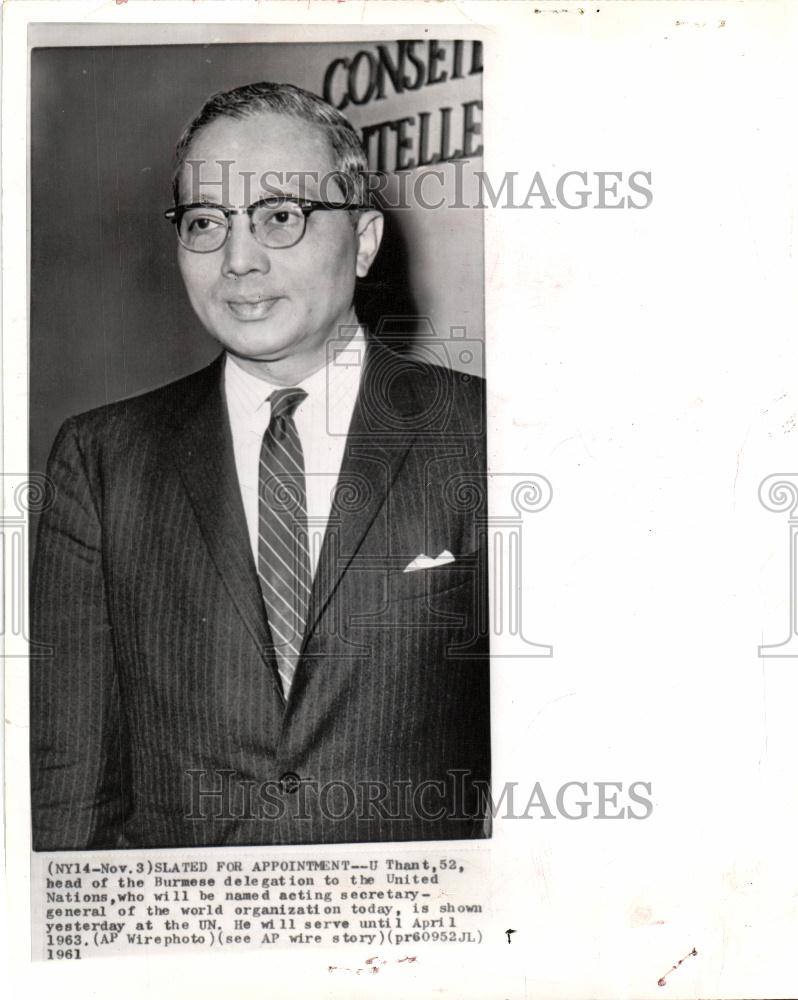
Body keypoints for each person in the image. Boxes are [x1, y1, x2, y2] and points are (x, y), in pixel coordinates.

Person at [29, 81, 489, 850]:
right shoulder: (102, 460)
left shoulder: (487, 435)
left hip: (415, 944)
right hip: (186, 946)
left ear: (365, 240)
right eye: (206, 223)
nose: (238, 261)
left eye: (280, 217)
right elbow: (69, 790)